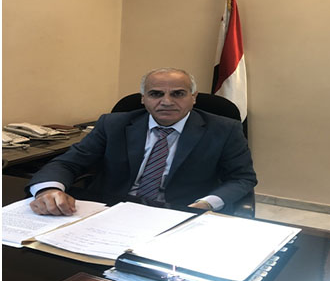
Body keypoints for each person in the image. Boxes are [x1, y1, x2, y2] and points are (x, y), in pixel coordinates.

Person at [28, 67, 257, 216]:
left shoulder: (224, 129)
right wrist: (48, 189)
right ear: (143, 99)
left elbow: (241, 178)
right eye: (156, 94)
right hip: (111, 211)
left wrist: (207, 203)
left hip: (179, 213)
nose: (166, 102)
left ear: (193, 98)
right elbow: (68, 163)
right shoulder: (113, 124)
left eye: (178, 94)